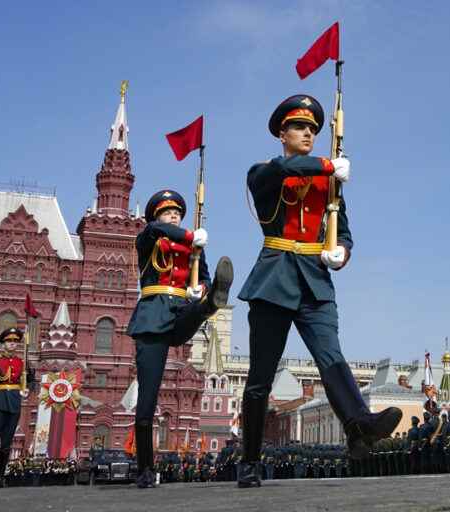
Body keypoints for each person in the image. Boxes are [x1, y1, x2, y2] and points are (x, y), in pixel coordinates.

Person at [236, 94, 402, 487]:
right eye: (299, 127)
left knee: (332, 357)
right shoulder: (263, 172)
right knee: (260, 377)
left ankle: (359, 424)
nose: (308, 133)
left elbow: (342, 231)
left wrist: (341, 252)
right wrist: (329, 164)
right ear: (282, 133)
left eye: (312, 129)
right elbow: (280, 169)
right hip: (274, 280)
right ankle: (249, 460)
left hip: (315, 281)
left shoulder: (329, 185)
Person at [126, 189, 234, 488]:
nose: (173, 215)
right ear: (157, 216)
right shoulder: (149, 238)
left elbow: (205, 275)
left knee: (206, 300)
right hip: (152, 319)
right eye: (167, 212)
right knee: (148, 400)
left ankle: (212, 302)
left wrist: (202, 287)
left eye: (177, 212)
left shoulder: (193, 250)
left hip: (181, 314)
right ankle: (146, 469)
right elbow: (154, 229)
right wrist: (189, 235)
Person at [0, 327, 35, 488]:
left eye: (15, 342)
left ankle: (0, 478)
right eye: (9, 341)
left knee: (7, 443)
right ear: (3, 343)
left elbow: (32, 380)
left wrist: (27, 389)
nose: (12, 344)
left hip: (14, 403)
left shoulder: (22, 362)